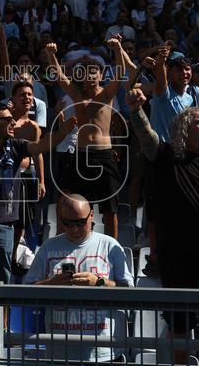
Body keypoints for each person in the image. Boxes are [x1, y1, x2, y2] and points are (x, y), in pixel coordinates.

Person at [23, 193, 134, 366]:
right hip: (62, 354)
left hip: (104, 355)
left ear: (92, 217)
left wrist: (98, 282)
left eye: (81, 223)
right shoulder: (49, 248)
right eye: (67, 222)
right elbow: (24, 292)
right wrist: (54, 282)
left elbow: (129, 292)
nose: (74, 228)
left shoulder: (110, 246)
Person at [0, 101, 76, 282]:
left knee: (3, 280)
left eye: (13, 119)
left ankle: (2, 312)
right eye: (8, 119)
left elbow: (41, 146)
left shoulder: (17, 146)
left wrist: (61, 134)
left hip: (5, 226)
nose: (13, 123)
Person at [45, 37, 133, 239]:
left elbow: (120, 72)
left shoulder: (107, 94)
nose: (89, 76)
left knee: (110, 209)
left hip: (104, 155)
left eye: (93, 71)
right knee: (73, 203)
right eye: (84, 73)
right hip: (80, 155)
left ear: (101, 74)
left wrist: (118, 48)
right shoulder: (76, 94)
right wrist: (51, 55)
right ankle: (67, 244)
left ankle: (113, 248)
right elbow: (59, 76)